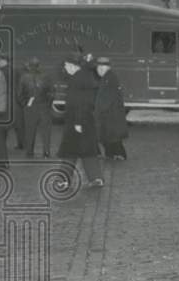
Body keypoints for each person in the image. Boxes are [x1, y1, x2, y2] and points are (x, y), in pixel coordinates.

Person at [57, 54, 103, 187]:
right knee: (87, 151)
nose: (65, 68)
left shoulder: (76, 80)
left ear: (72, 66)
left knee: (69, 151)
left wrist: (78, 122)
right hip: (85, 120)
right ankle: (96, 178)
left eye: (66, 66)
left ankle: (64, 179)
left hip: (77, 121)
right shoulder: (84, 77)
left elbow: (79, 102)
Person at [19, 56, 54, 157]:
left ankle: (29, 151)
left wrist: (26, 104)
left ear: (29, 66)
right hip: (44, 107)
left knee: (30, 130)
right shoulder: (46, 76)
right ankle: (46, 152)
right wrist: (47, 103)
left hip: (30, 108)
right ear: (39, 65)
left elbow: (19, 94)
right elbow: (52, 92)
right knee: (46, 131)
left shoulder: (24, 77)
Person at [94, 57, 129, 160]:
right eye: (98, 67)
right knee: (110, 137)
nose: (99, 70)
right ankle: (113, 155)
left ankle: (118, 155)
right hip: (110, 114)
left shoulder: (109, 78)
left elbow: (107, 98)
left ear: (107, 68)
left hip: (110, 114)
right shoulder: (108, 77)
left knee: (111, 137)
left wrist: (98, 111)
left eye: (102, 67)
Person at [0, 54, 23, 151]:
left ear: (3, 60)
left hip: (4, 100)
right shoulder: (16, 70)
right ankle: (21, 144)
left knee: (3, 123)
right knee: (19, 125)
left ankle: (2, 143)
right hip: (15, 100)